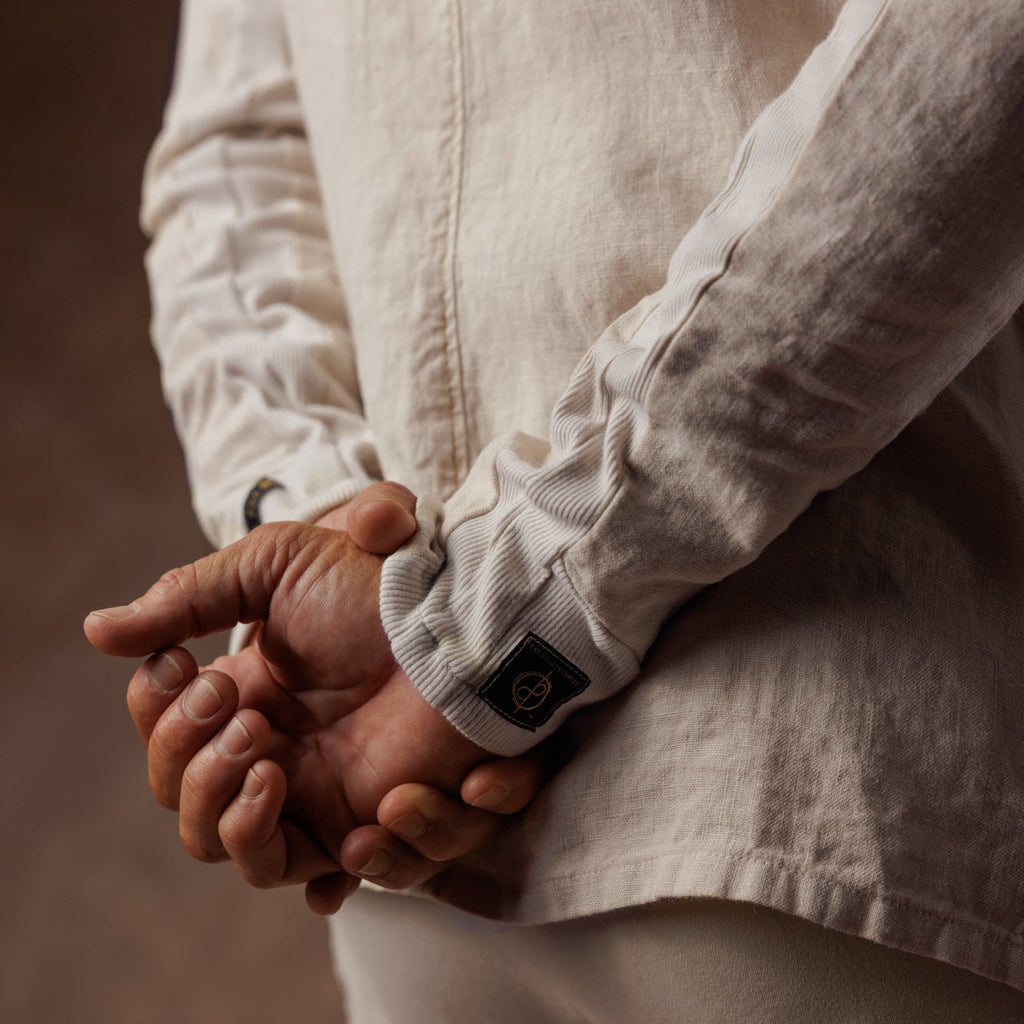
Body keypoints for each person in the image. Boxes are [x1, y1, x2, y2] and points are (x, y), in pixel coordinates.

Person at [86, 0, 1024, 1019]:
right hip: (415, 851)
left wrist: (491, 623)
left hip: (798, 758)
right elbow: (237, 144)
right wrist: (326, 542)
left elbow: (968, 52)